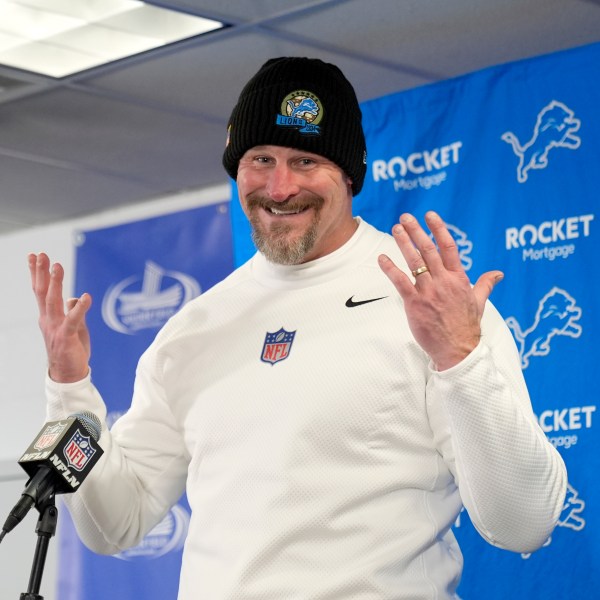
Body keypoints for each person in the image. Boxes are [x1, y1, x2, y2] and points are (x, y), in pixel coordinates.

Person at [29, 57, 567, 599]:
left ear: (349, 174)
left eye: (306, 160)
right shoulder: (193, 329)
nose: (280, 187)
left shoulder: (435, 309)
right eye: (260, 158)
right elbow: (114, 526)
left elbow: (524, 523)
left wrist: (460, 356)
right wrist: (71, 390)